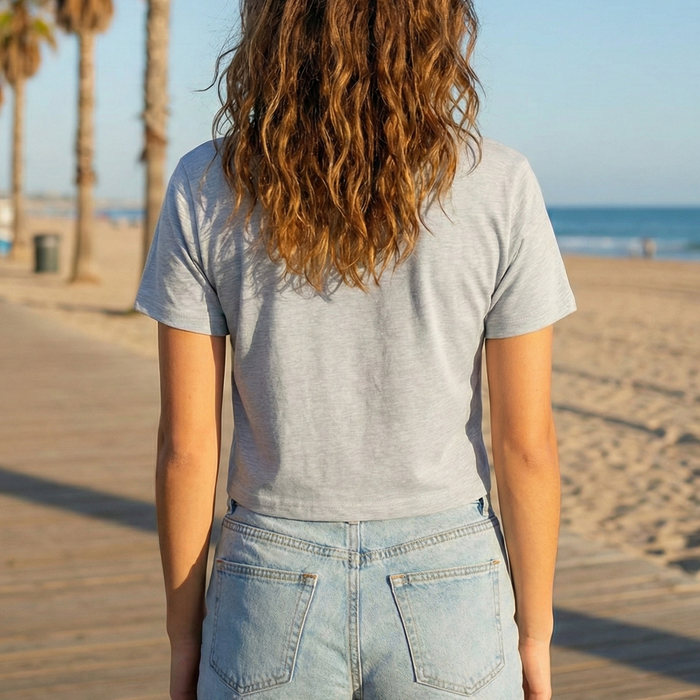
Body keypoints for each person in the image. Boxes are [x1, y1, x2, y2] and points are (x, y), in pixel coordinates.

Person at [135, 1, 577, 699]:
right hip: (450, 581)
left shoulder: (205, 184)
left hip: (268, 575)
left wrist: (184, 637)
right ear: (434, 28)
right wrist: (536, 634)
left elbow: (187, 447)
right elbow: (528, 445)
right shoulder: (500, 184)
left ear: (274, 27)